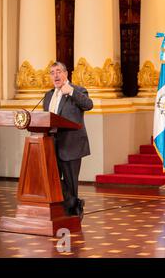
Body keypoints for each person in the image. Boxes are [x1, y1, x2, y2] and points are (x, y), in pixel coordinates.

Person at [43, 61, 93, 220]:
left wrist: (70, 91)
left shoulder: (77, 90)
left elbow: (88, 104)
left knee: (71, 183)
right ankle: (72, 204)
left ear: (66, 74)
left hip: (71, 144)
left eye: (58, 71)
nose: (55, 75)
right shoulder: (48, 95)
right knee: (54, 180)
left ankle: (73, 214)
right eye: (52, 72)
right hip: (51, 145)